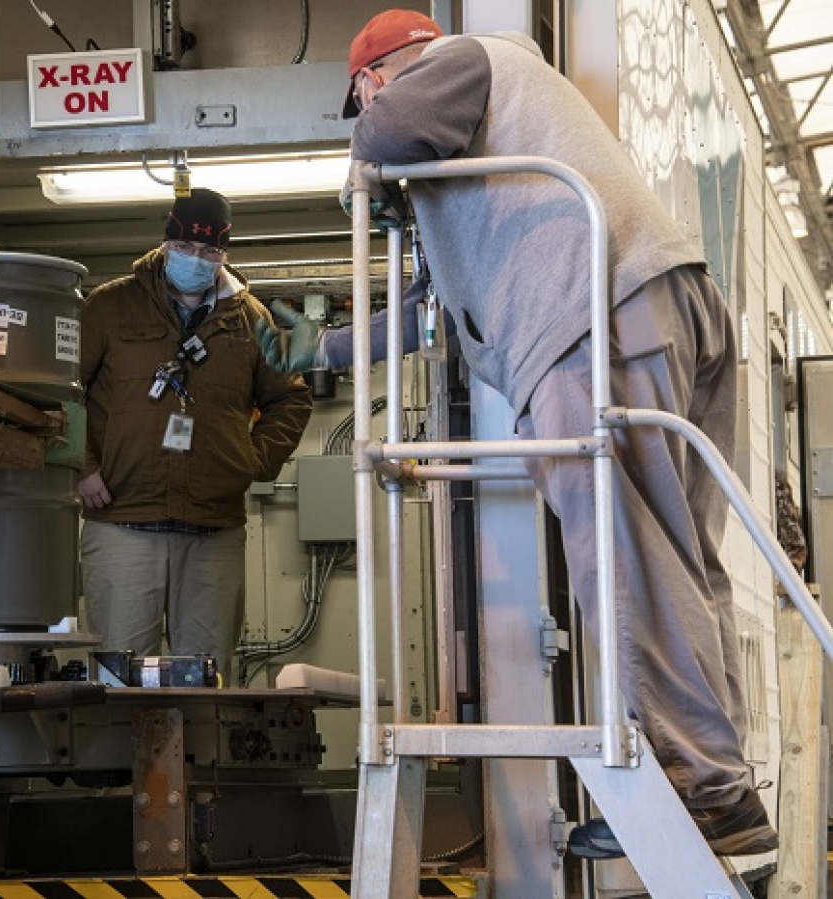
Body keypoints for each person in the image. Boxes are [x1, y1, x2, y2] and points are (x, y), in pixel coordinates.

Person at [257, 10, 777, 859]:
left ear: (373, 75)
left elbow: (386, 129)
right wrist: (329, 347)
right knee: (680, 559)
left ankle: (701, 788)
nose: (368, 113)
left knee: (627, 553)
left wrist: (363, 169)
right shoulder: (490, 144)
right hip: (654, 299)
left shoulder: (463, 61)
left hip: (588, 319)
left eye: (359, 97)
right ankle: (722, 783)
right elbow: (436, 312)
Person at [79, 188, 312, 681]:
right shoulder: (110, 307)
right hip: (122, 519)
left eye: (209, 252)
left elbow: (291, 397)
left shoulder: (250, 320)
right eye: (185, 247)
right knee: (119, 677)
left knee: (207, 683)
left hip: (213, 529)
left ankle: (199, 762)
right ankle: (127, 762)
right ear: (166, 245)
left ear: (223, 255)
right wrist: (83, 466)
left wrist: (252, 461)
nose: (196, 259)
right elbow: (64, 391)